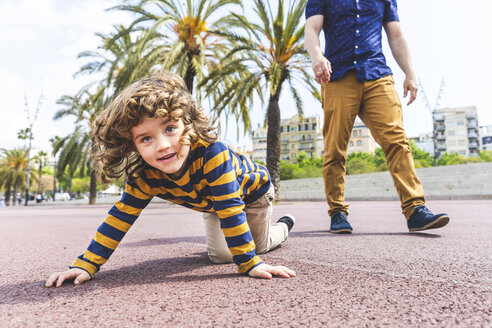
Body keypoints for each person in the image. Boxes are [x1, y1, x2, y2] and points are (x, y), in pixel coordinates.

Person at [46, 72, 296, 288]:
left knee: (253, 250)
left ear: (187, 124)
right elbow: (120, 217)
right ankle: (250, 243)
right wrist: (86, 264)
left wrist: (249, 263)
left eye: (170, 129)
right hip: (213, 203)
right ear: (132, 145)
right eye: (146, 138)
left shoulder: (213, 154)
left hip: (253, 194)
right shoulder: (145, 175)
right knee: (222, 256)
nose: (163, 146)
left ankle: (281, 229)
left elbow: (230, 208)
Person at [304, 0, 449, 233]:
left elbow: (396, 35)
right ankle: (338, 211)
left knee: (397, 141)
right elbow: (312, 29)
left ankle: (415, 209)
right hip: (338, 75)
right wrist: (317, 57)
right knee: (335, 149)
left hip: (377, 74)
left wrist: (410, 73)